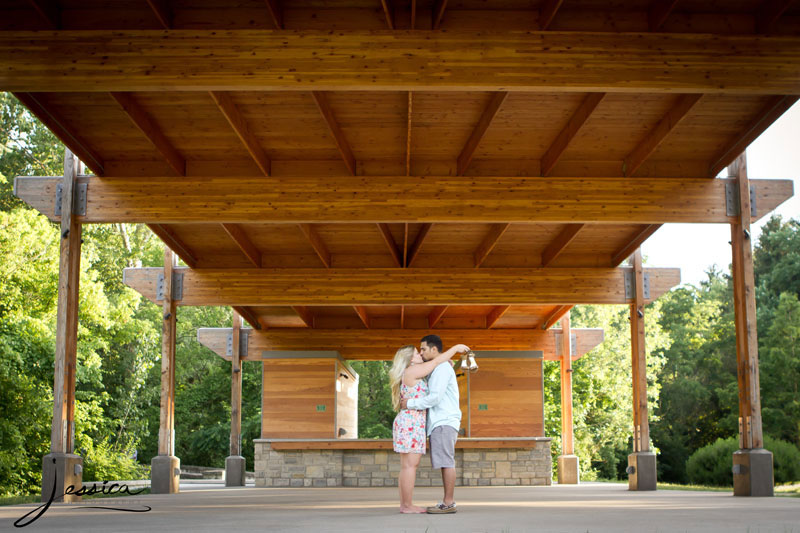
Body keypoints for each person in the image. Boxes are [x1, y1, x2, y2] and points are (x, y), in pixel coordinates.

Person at [390, 342, 470, 514]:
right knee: (410, 466)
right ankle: (407, 505)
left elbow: (434, 365)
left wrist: (445, 362)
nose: (420, 354)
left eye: (421, 351)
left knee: (408, 466)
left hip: (413, 423)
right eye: (417, 353)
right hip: (411, 423)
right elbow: (434, 362)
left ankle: (406, 504)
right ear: (410, 360)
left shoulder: (416, 372)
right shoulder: (412, 370)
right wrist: (455, 350)